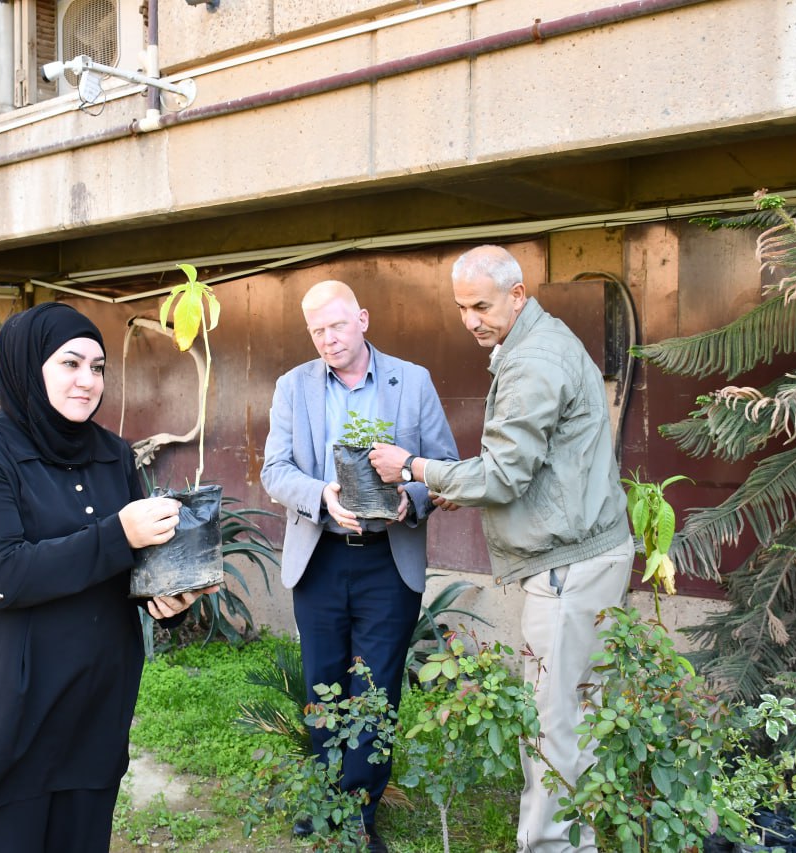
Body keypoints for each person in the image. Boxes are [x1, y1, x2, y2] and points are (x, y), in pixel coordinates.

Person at [368, 245, 634, 853]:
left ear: (518, 294)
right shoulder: (544, 339)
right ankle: (576, 841)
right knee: (579, 715)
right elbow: (531, 466)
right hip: (587, 554)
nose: (471, 320)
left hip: (567, 568)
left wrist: (414, 466)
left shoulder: (532, 361)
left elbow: (505, 475)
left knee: (552, 724)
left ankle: (549, 846)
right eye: (462, 307)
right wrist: (471, 484)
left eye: (482, 305)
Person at [0, 301, 215, 853]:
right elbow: (0, 575)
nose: (88, 381)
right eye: (70, 364)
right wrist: (119, 535)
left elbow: (133, 568)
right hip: (5, 710)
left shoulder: (113, 456)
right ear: (28, 366)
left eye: (98, 367)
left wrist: (168, 596)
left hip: (92, 707)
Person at [261, 280, 458, 853]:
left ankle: (359, 814)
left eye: (337, 326)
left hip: (387, 561)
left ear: (363, 319)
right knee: (324, 682)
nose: (327, 339)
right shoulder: (292, 387)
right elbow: (275, 470)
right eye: (316, 330)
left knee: (376, 687)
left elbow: (442, 465)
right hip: (320, 555)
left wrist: (410, 500)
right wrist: (323, 494)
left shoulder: (412, 381)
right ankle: (324, 799)